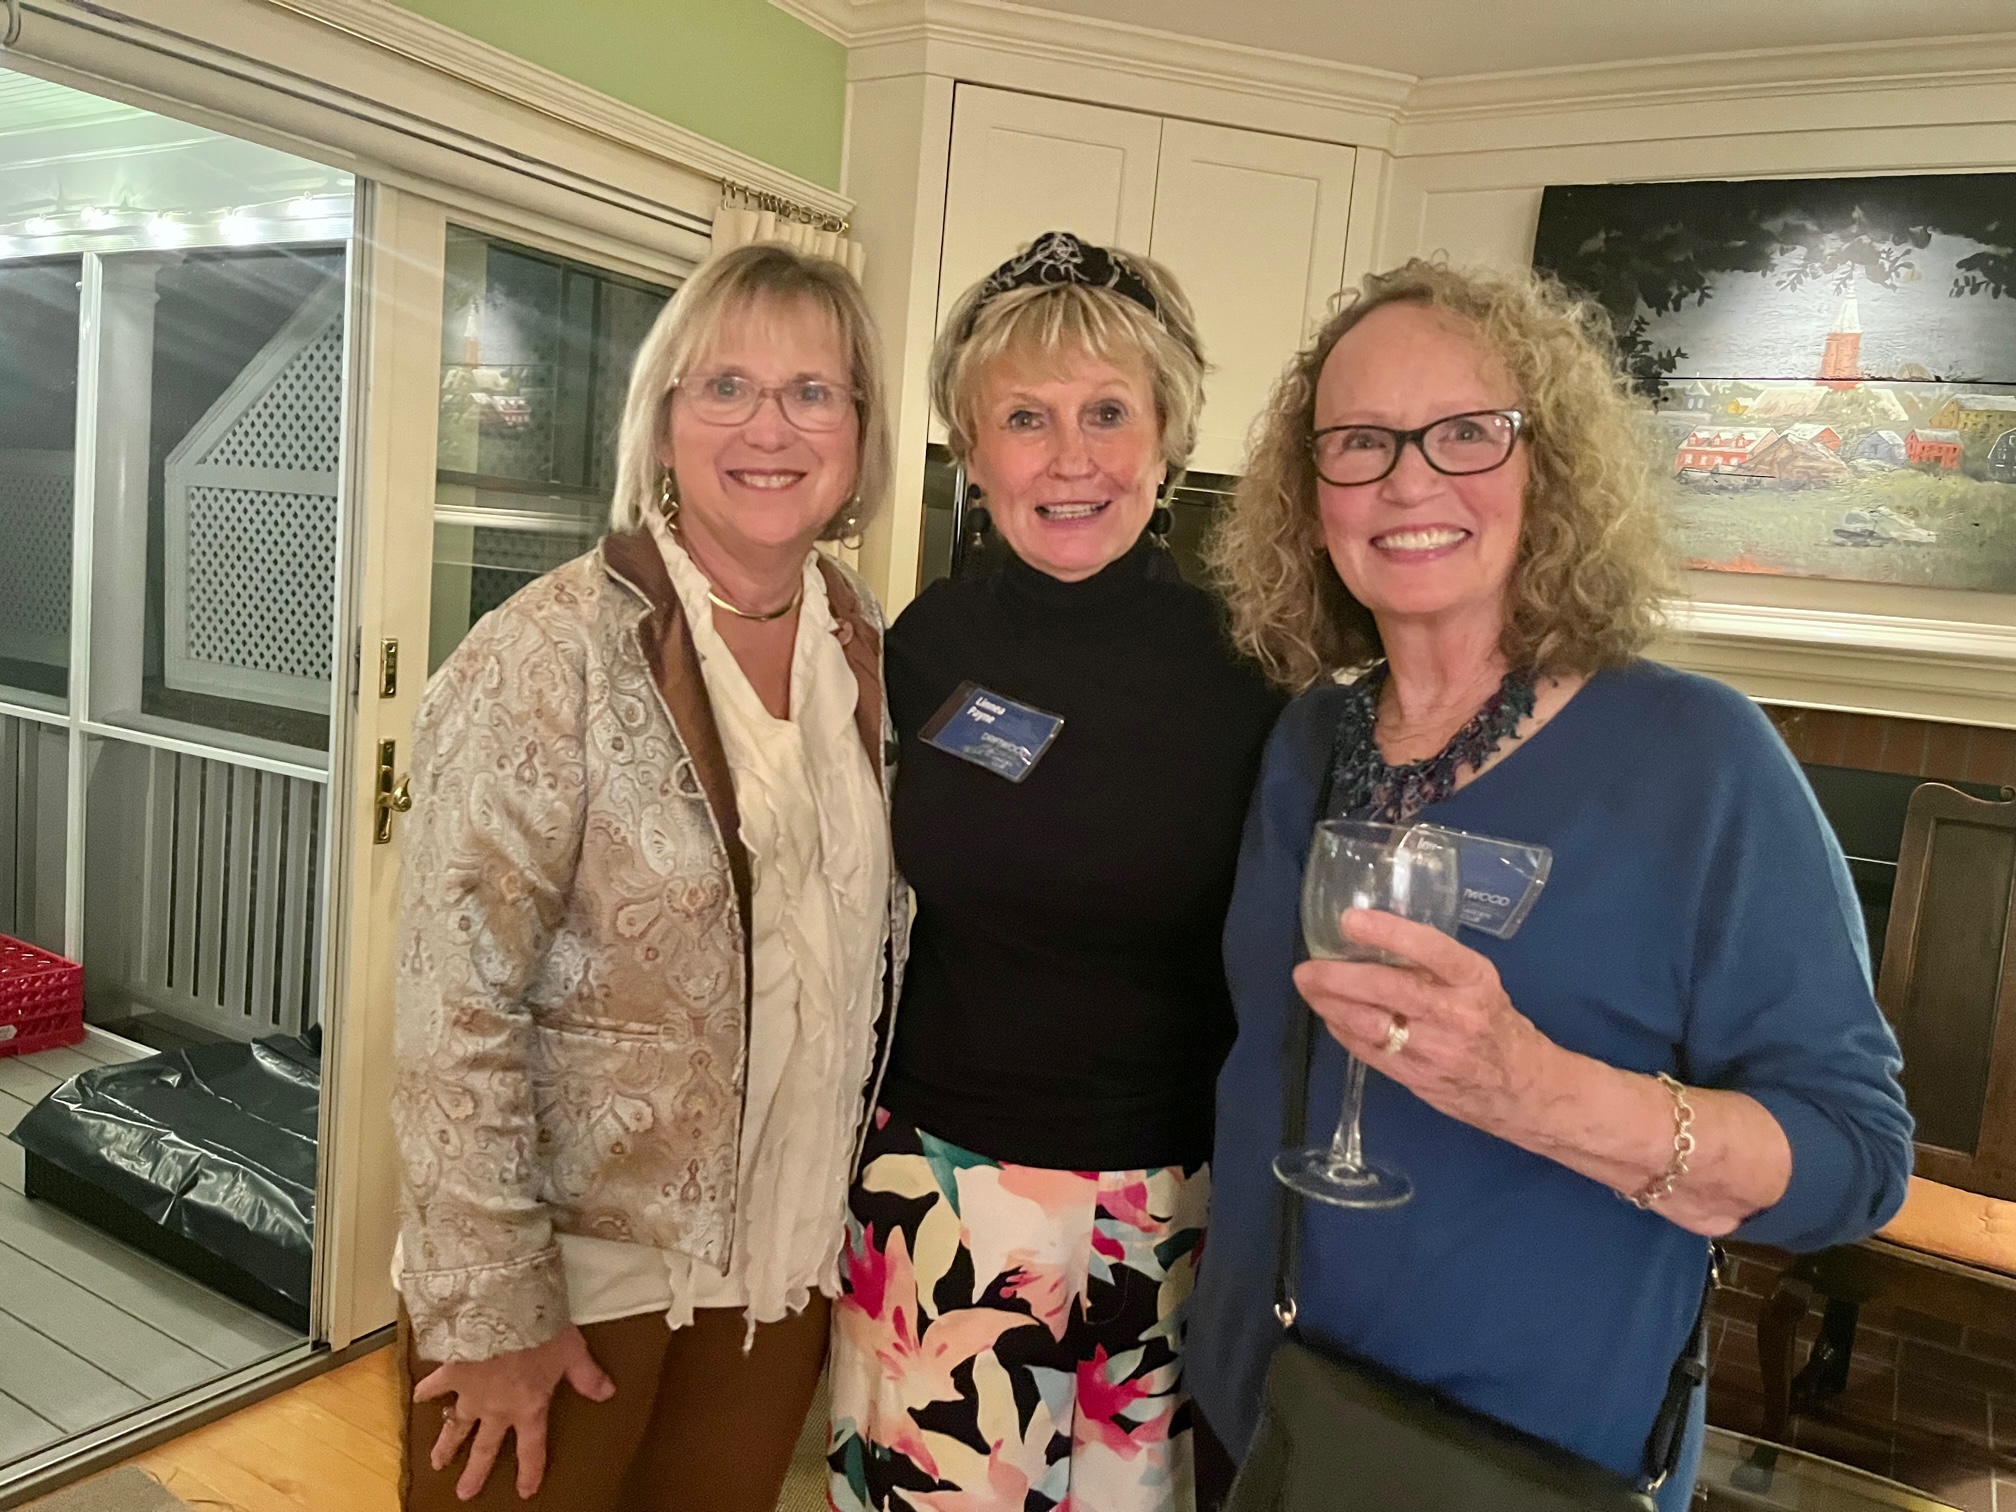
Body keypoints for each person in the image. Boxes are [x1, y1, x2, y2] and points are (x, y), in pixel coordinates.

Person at [1187, 259, 1914, 1511]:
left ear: (1550, 468)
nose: (1410, 479)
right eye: (1360, 442)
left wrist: (1532, 1089)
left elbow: (1854, 1158)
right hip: (1265, 1418)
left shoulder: (1698, 758)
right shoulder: (1309, 740)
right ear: (1310, 499)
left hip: (1523, 1463)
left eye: (1467, 432)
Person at [391, 242, 907, 1512]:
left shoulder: (862, 642)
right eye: (725, 387)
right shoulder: (547, 652)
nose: (770, 428)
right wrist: (494, 1306)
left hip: (776, 1267)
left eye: (812, 391)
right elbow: (451, 999)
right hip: (573, 1281)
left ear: (858, 431)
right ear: (663, 421)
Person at [826, 232, 1284, 1512]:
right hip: (942, 1185)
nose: (1070, 457)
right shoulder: (922, 644)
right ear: (972, 455)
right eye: (1026, 418)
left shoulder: (1257, 668)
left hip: (1171, 1205)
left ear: (1168, 439)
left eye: (1107, 413)